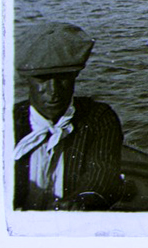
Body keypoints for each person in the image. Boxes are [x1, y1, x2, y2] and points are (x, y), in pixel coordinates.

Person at [13, 22, 125, 211]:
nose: (53, 91)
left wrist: (82, 200)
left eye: (62, 78)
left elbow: (103, 174)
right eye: (42, 79)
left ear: (75, 76)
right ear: (28, 80)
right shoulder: (5, 121)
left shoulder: (99, 118)